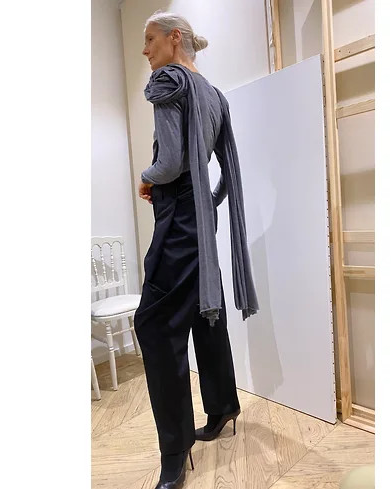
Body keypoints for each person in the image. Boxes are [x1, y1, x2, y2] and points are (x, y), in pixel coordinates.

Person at [133, 10, 259, 489]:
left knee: (154, 325)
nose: (145, 50)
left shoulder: (169, 82)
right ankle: (223, 407)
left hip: (178, 222)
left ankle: (174, 451)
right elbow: (226, 171)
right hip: (201, 225)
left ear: (174, 38)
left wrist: (147, 178)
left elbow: (167, 163)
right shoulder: (213, 94)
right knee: (207, 315)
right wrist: (206, 202)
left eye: (150, 39)